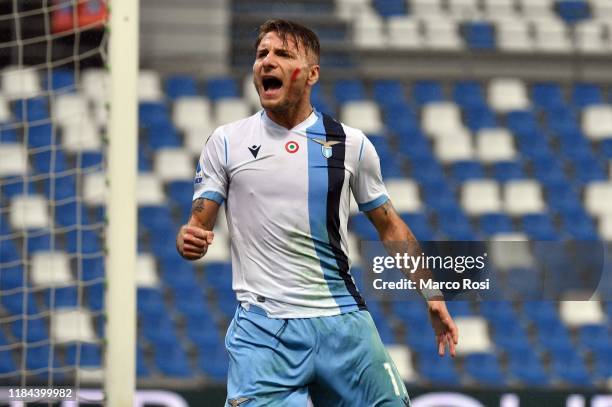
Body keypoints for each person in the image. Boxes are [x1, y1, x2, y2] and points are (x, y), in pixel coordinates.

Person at [176, 19, 458, 407]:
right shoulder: (226, 142)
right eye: (261, 54)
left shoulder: (351, 144)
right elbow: (196, 227)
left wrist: (432, 293)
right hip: (265, 330)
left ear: (312, 74)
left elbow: (390, 226)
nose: (267, 62)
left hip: (343, 323)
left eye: (282, 54)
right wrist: (189, 238)